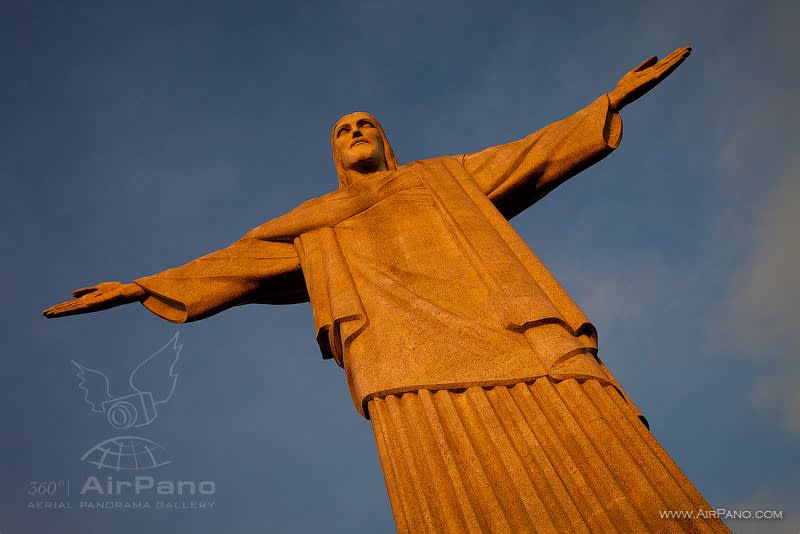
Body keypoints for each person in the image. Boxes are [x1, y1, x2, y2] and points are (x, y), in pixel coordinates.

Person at [45, 47, 728, 533]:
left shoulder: (446, 178)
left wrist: (608, 100)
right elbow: (236, 262)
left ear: (386, 140)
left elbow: (535, 151)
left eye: (364, 123)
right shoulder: (310, 222)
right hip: (406, 370)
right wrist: (140, 286)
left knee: (608, 462)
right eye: (342, 131)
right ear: (334, 155)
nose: (355, 132)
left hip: (514, 336)